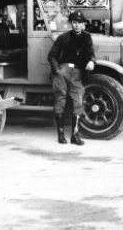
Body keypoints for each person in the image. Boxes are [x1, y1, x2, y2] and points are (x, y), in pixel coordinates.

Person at [47, 10, 95, 146]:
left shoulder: (87, 37)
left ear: (84, 24)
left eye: (79, 23)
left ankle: (75, 136)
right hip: (63, 70)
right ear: (71, 23)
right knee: (60, 100)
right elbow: (51, 56)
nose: (76, 25)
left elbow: (91, 53)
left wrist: (92, 61)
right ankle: (61, 134)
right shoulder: (64, 38)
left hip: (78, 73)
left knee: (78, 102)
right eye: (74, 22)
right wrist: (57, 71)